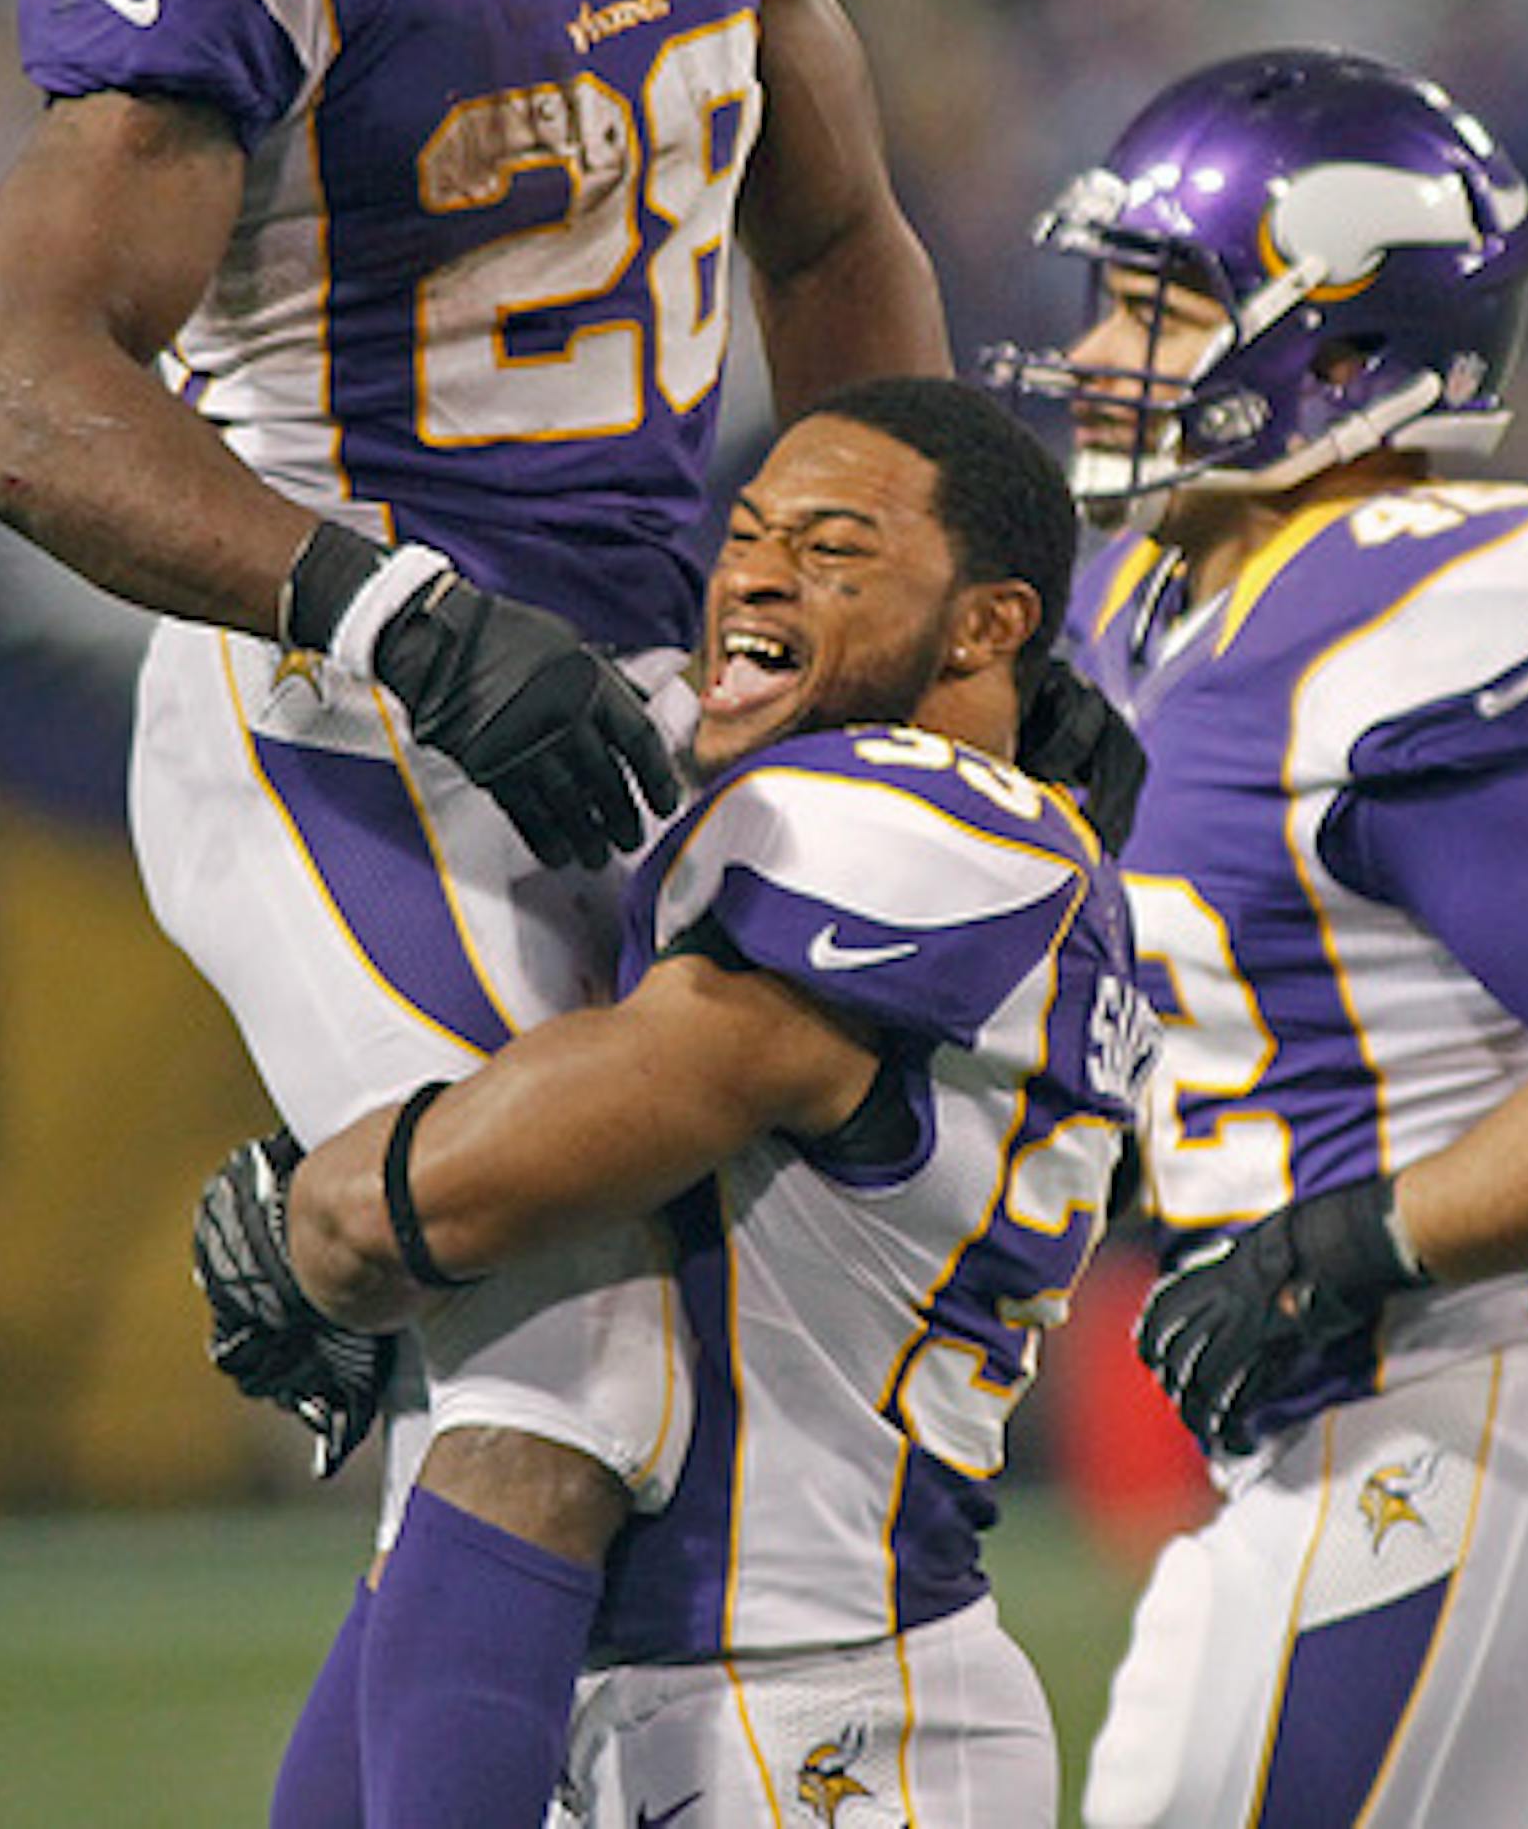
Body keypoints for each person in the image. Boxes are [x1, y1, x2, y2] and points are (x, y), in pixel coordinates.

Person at [0, 0, 948, 1829]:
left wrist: (917, 595)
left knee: (661, 1379)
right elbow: (23, 399)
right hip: (344, 707)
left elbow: (829, 238)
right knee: (566, 1354)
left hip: (645, 682)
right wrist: (388, 601)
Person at [988, 47, 1528, 1828]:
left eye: (1157, 307)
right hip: (1450, 1431)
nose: (1103, 353)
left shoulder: (1411, 604)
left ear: (1339, 356)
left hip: (1449, 1421)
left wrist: (1336, 1246)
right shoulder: (1151, 594)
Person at [202, 375, 1154, 1828]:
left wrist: (316, 1217)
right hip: (696, 1683)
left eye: (835, 551)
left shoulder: (914, 818)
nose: (758, 572)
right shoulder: (908, 821)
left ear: (989, 623)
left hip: (820, 1717)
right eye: (752, 532)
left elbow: (508, 1164)